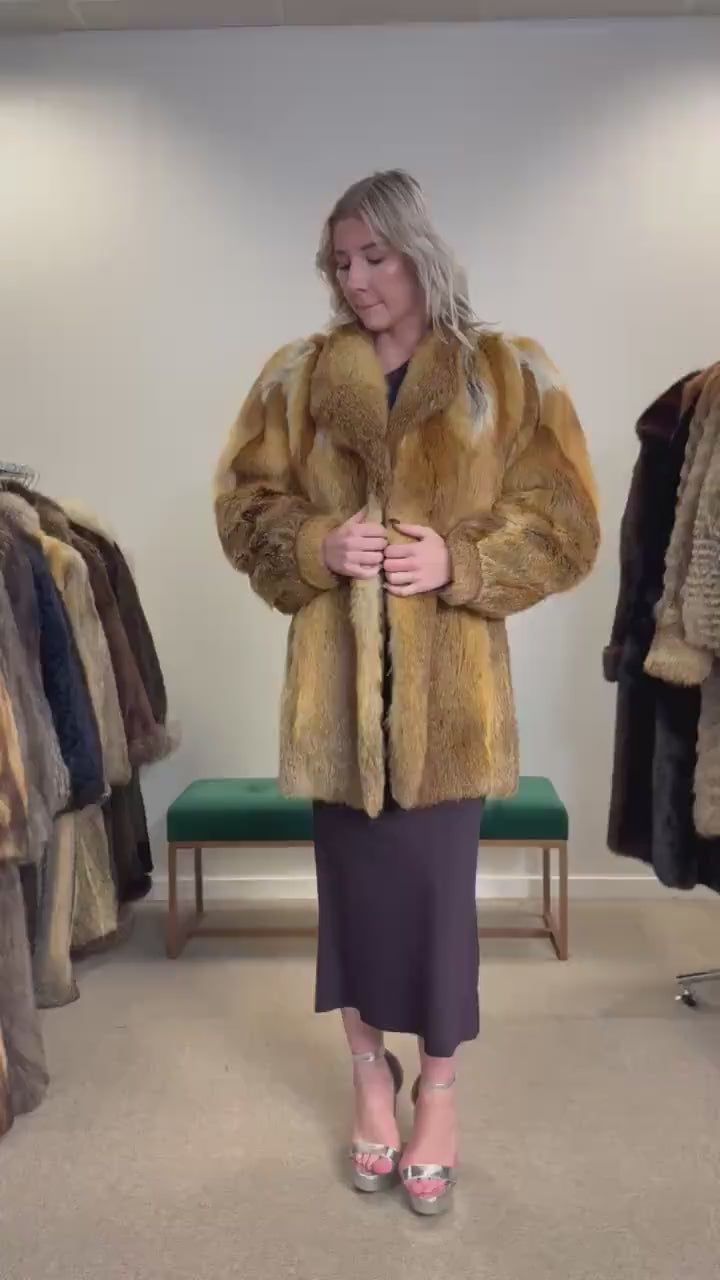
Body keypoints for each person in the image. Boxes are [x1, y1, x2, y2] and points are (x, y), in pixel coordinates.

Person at [214, 170, 599, 1216]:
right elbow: (244, 507)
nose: (356, 279)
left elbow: (565, 523)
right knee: (351, 903)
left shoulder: (507, 374)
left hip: (451, 707)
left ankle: (438, 1090)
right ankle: (367, 1078)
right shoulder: (297, 378)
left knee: (436, 907)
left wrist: (460, 562)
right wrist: (314, 543)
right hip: (334, 700)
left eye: (373, 257)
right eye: (340, 262)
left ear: (418, 251)